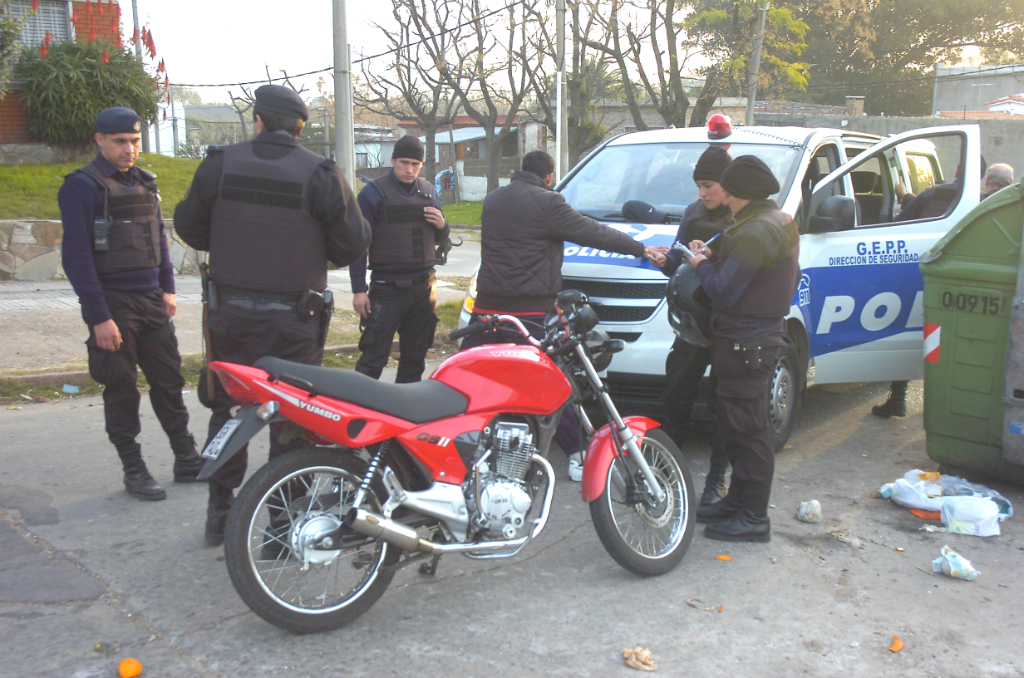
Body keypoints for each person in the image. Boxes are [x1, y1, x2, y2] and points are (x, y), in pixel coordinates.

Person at [174, 85, 372, 546]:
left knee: (229, 413)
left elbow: (190, 227)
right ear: (300, 129)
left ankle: (219, 518)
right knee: (293, 419)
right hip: (293, 324)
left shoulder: (220, 163)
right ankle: (282, 526)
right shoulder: (321, 173)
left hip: (231, 317)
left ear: (258, 120)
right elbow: (351, 243)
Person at [463, 150, 666, 481]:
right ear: (548, 176)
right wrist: (641, 248)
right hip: (528, 312)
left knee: (473, 379)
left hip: (486, 308)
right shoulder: (549, 203)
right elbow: (594, 232)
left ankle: (461, 446)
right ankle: (576, 454)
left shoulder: (493, 200)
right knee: (550, 383)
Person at [58, 107, 204, 501]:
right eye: (120, 141)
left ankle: (186, 457)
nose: (129, 149)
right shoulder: (82, 186)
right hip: (113, 304)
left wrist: (168, 288)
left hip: (152, 301)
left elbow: (160, 240)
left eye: (135, 141)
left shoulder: (145, 183)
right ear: (100, 140)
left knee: (169, 382)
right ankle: (134, 469)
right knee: (121, 389)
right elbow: (76, 258)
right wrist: (98, 317)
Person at [681, 155, 800, 543]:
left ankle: (753, 516)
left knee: (749, 431)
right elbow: (750, 272)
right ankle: (737, 502)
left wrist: (701, 265)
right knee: (735, 425)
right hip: (748, 339)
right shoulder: (772, 220)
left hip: (748, 341)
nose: (724, 199)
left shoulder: (755, 231)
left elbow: (724, 290)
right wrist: (715, 256)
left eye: (729, 192)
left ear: (742, 193)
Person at [649, 146, 734, 507]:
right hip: (691, 322)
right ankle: (665, 470)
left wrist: (713, 255)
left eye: (708, 185)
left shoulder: (743, 215)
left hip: (728, 321)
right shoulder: (694, 211)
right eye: (698, 185)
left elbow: (744, 266)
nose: (702, 193)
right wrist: (666, 259)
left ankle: (717, 478)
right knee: (677, 391)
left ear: (727, 185)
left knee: (722, 402)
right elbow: (678, 260)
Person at [350, 135, 449, 384]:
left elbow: (439, 239)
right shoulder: (373, 194)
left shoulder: (428, 191)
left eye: (415, 164)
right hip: (387, 288)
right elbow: (358, 246)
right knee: (373, 358)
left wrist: (443, 226)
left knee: (415, 359)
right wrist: (359, 290)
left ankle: (406, 416)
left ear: (422, 165)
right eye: (404, 162)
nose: (409, 169)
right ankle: (359, 413)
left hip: (424, 287)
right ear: (392, 160)